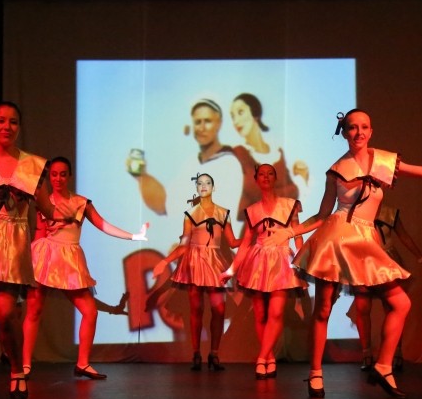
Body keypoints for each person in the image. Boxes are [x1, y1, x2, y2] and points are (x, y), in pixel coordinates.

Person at [268, 109, 422, 399]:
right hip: (337, 238)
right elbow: (324, 214)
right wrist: (289, 232)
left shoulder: (384, 160)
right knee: (323, 309)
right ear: (345, 132)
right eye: (352, 128)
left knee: (401, 303)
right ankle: (315, 373)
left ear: (371, 131)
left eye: (364, 127)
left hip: (366, 239)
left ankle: (384, 365)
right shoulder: (336, 170)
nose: (358, 132)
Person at [0, 100, 147, 399]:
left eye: (12, 122)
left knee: (6, 312)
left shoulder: (34, 166)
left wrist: (67, 216)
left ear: (19, 127)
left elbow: (47, 208)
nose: (6, 126)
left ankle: (17, 371)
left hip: (9, 244)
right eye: (0, 121)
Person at [22, 156, 148, 381]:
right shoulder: (43, 201)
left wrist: (133, 236)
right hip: (45, 256)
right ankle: (24, 366)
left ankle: (83, 363)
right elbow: (39, 233)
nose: (58, 178)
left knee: (89, 311)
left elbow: (103, 224)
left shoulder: (81, 202)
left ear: (69, 176)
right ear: (49, 176)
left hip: (70, 259)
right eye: (54, 174)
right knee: (34, 309)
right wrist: (30, 262)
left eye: (62, 174)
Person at [221, 163, 306, 379]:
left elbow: (297, 234)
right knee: (260, 313)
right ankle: (269, 358)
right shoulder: (252, 211)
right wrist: (231, 270)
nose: (266, 177)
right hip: (258, 262)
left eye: (270, 173)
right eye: (262, 174)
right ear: (256, 180)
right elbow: (246, 244)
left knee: (276, 312)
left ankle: (262, 356)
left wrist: (302, 258)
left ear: (275, 178)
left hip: (282, 260)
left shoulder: (289, 205)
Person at [151, 172, 240, 371]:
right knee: (196, 310)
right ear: (196, 188)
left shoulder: (223, 213)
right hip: (194, 263)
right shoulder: (190, 215)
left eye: (208, 182)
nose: (203, 186)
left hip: (215, 262)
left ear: (214, 187)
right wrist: (164, 262)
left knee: (219, 310)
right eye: (200, 183)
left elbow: (233, 241)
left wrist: (254, 239)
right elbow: (184, 244)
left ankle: (214, 353)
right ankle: (196, 353)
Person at [345, 203, 422, 372]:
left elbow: (404, 236)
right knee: (362, 307)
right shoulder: (355, 212)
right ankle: (366, 353)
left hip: (386, 261)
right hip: (363, 261)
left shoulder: (389, 213)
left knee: (393, 307)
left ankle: (395, 352)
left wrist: (421, 257)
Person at [127, 98, 244, 221]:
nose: (202, 127)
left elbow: (217, 220)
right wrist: (141, 176)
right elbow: (163, 204)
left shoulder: (229, 164)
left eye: (208, 121)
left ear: (219, 124)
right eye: (198, 122)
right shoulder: (190, 164)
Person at [228, 92, 308, 219]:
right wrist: (300, 181)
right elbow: (258, 193)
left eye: (240, 112)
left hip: (281, 226)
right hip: (254, 229)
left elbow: (290, 197)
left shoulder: (278, 152)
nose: (236, 121)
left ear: (255, 113)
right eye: (232, 116)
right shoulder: (238, 153)